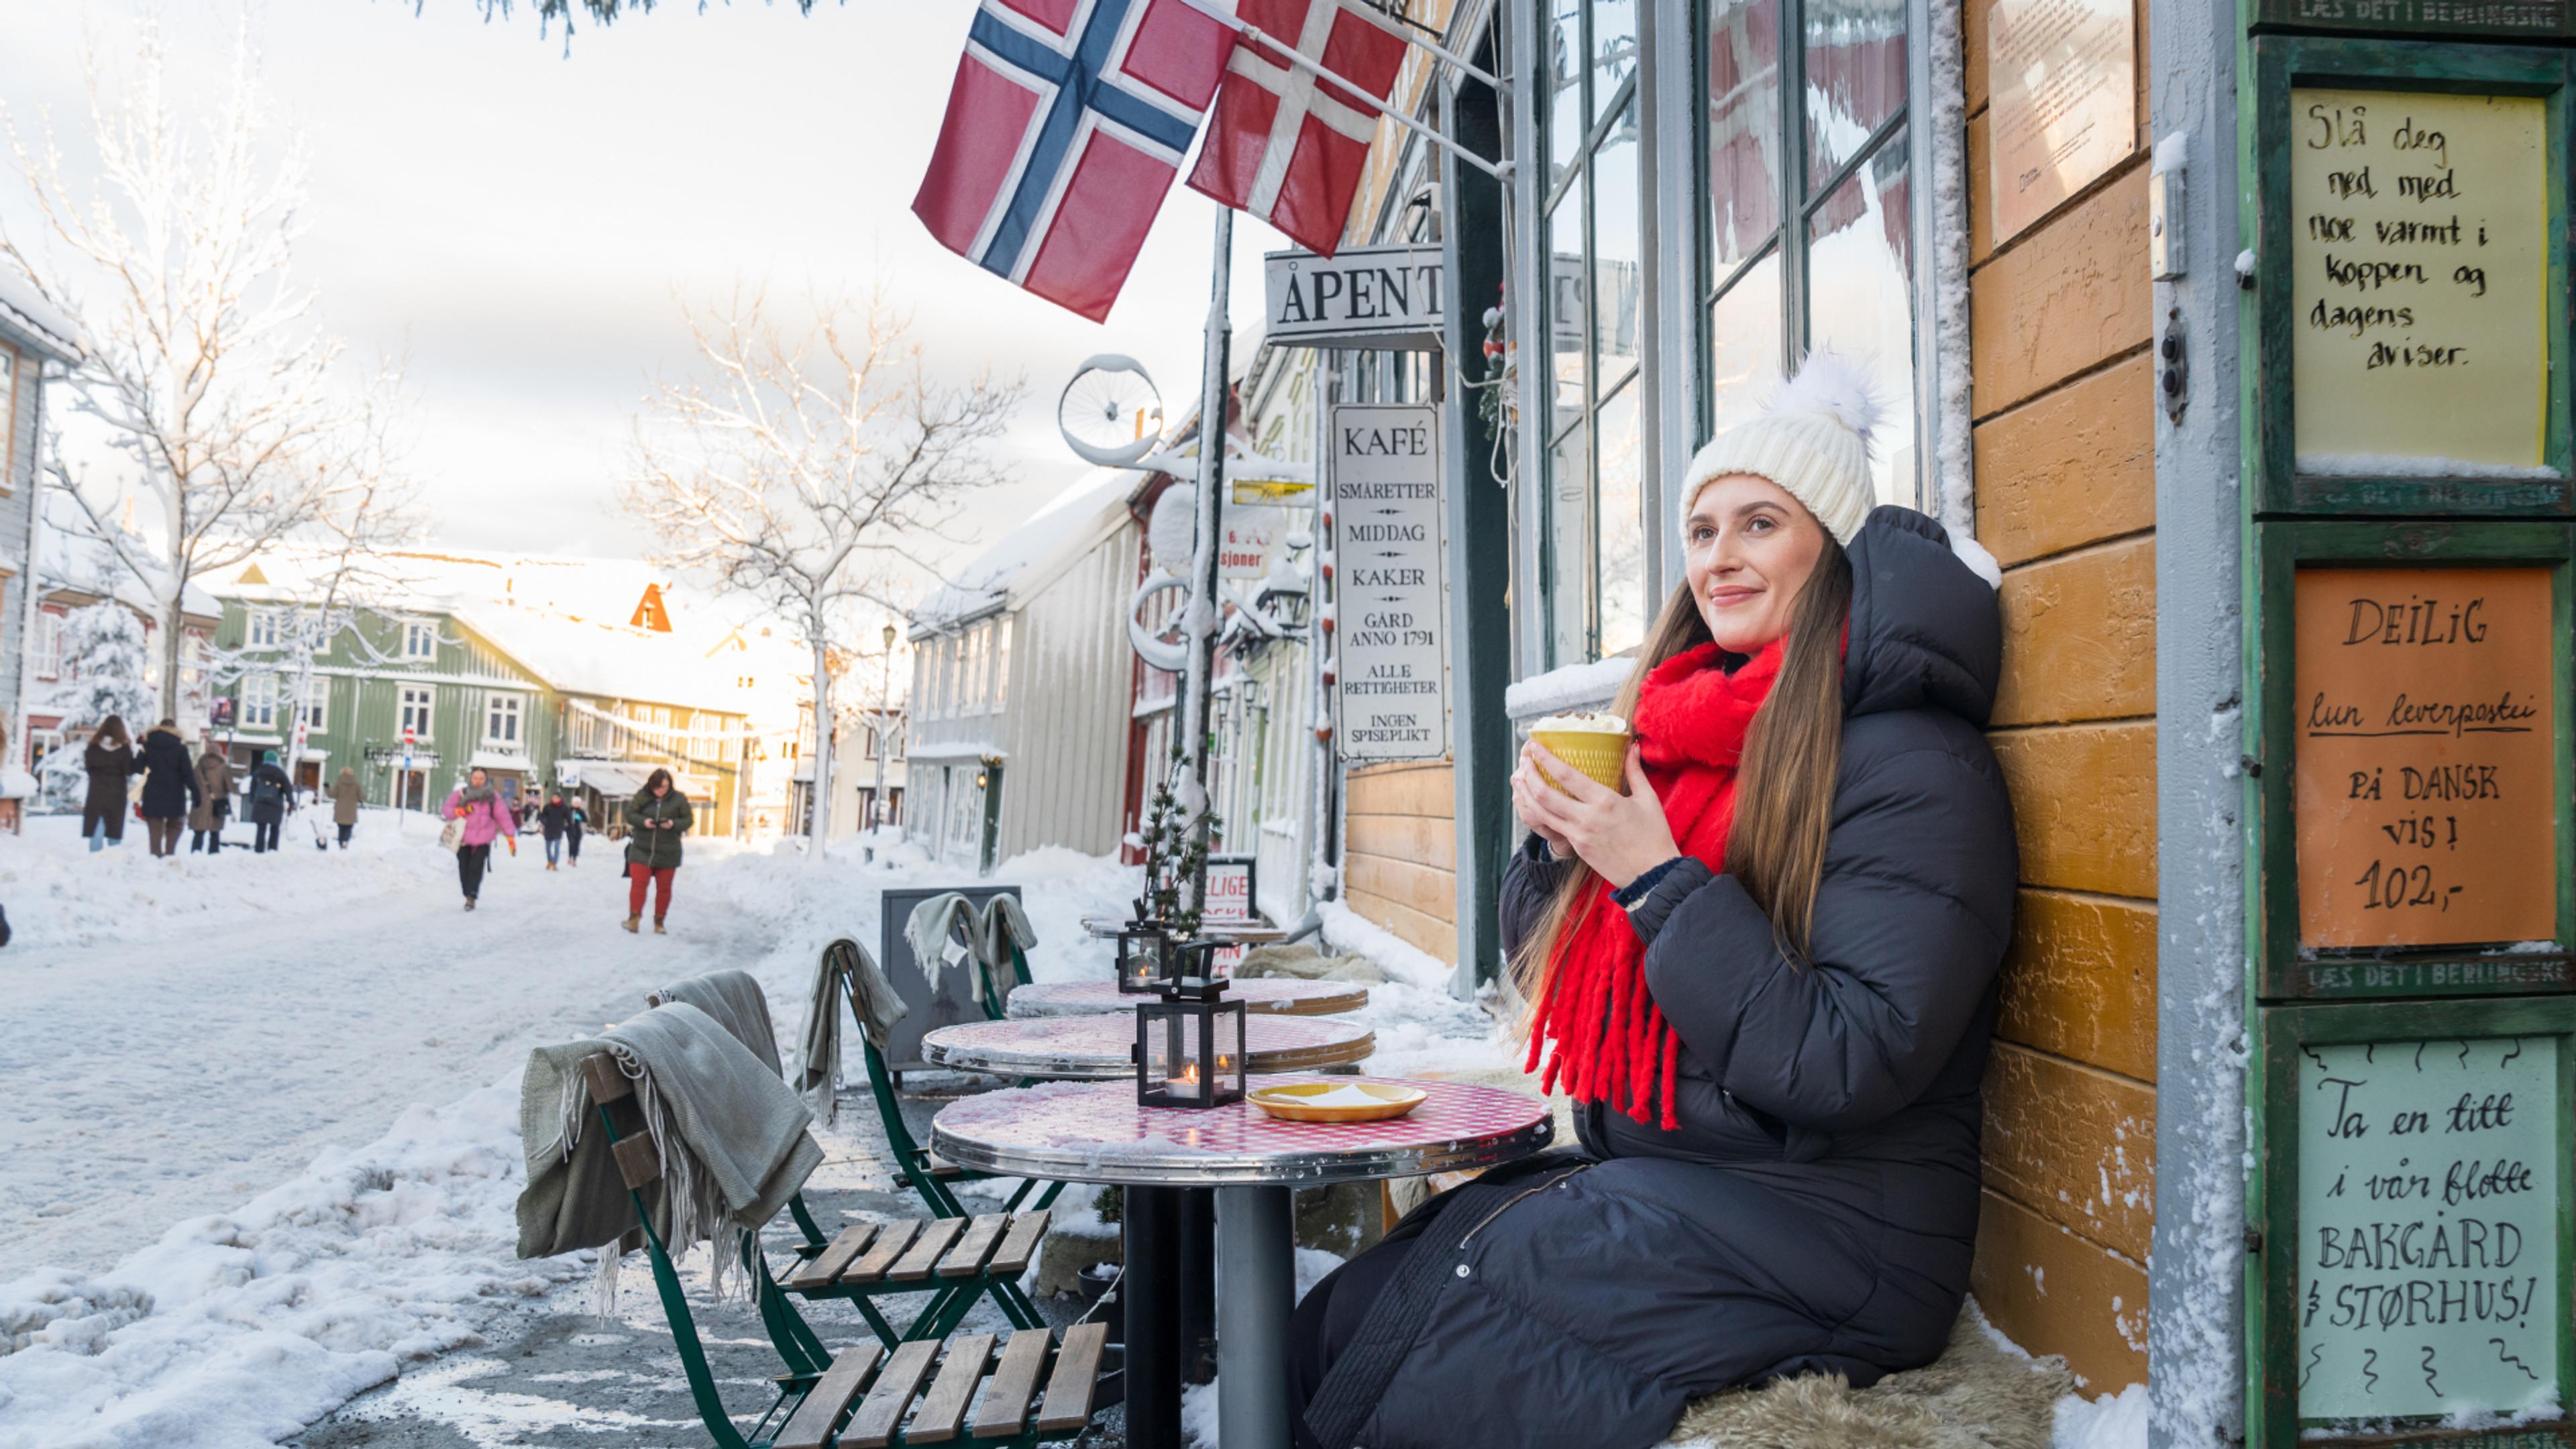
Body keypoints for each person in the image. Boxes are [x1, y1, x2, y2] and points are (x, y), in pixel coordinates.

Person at [1285, 358, 2016, 1449]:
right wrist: (1559, 849)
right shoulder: (1684, 732)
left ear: (1835, 551)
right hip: (1691, 1167)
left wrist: (1654, 878)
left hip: (1841, 1222)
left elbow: (1849, 1055)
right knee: (1361, 1301)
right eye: (1703, 529)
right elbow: (1563, 970)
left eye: (1761, 524)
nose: (1721, 556)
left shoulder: (1912, 763)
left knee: (1474, 1305)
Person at [621, 767, 692, 934]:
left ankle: (659, 921)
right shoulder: (642, 796)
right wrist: (644, 822)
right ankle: (634, 919)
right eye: (659, 787)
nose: (662, 790)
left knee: (664, 888)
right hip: (642, 849)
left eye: (666, 787)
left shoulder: (679, 799)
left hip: (668, 851)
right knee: (638, 884)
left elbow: (688, 820)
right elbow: (631, 814)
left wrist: (673, 824)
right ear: (652, 785)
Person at [441, 767, 514, 910]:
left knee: (476, 867)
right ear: (471, 778)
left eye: (481, 778)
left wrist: (510, 836)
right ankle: (467, 892)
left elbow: (503, 815)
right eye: (476, 778)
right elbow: (447, 809)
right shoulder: (461, 794)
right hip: (463, 838)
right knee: (464, 867)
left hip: (483, 838)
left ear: (486, 780)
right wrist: (458, 811)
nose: (478, 781)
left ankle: (471, 897)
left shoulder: (492, 796)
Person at [135, 718, 200, 858]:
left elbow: (138, 768)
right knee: (176, 824)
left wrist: (141, 750)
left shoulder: (148, 746)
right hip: (175, 792)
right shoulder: (181, 749)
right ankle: (170, 854)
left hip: (153, 791)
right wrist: (196, 793)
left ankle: (155, 854)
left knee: (155, 824)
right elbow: (187, 774)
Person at [80, 716, 138, 852]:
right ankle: (114, 855)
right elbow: (129, 770)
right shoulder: (124, 749)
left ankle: (95, 856)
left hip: (97, 789)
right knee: (115, 823)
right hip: (117, 790)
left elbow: (89, 768)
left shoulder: (93, 747)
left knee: (97, 822)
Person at [245, 751, 294, 853]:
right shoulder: (280, 773)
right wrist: (291, 802)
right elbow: (288, 788)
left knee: (261, 828)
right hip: (275, 804)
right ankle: (272, 850)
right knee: (275, 828)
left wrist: (252, 800)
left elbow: (252, 787)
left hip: (260, 803)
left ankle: (259, 850)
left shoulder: (258, 771)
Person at [190, 743, 233, 853]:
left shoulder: (198, 766)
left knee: (199, 831)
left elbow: (192, 783)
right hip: (217, 802)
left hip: (200, 802)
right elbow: (230, 787)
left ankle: (196, 851)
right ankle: (213, 852)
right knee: (215, 831)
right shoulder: (224, 767)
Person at [329, 767, 362, 848]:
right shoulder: (356, 785)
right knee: (349, 827)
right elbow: (361, 797)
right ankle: (345, 841)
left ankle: (341, 843)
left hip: (340, 809)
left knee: (341, 828)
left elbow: (332, 795)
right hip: (351, 810)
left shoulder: (339, 784)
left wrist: (326, 787)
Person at [539, 792, 570, 870]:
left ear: (560, 798)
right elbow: (542, 816)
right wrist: (545, 822)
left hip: (558, 830)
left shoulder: (564, 807)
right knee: (548, 847)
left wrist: (568, 826)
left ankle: (554, 863)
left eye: (557, 797)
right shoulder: (548, 807)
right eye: (553, 797)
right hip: (549, 829)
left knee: (557, 846)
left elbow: (569, 818)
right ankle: (550, 861)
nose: (555, 799)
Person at [564, 798, 586, 867]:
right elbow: (565, 818)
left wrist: (580, 818)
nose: (576, 804)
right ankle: (570, 857)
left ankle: (575, 859)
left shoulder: (581, 811)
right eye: (575, 803)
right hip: (570, 829)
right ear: (572, 803)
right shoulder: (569, 810)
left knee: (576, 844)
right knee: (571, 843)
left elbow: (586, 819)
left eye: (578, 803)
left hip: (578, 830)